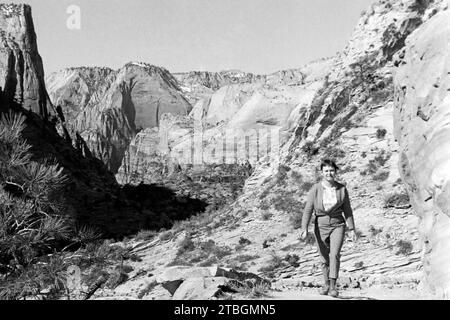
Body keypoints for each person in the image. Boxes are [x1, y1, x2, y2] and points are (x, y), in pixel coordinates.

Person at [300, 159, 357, 298]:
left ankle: (333, 286)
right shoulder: (315, 189)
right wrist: (304, 228)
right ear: (322, 172)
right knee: (324, 257)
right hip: (320, 226)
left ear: (335, 171)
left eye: (331, 170)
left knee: (334, 254)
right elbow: (308, 209)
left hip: (338, 224)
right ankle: (326, 284)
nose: (329, 173)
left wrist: (352, 228)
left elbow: (347, 210)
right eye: (326, 171)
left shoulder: (342, 189)